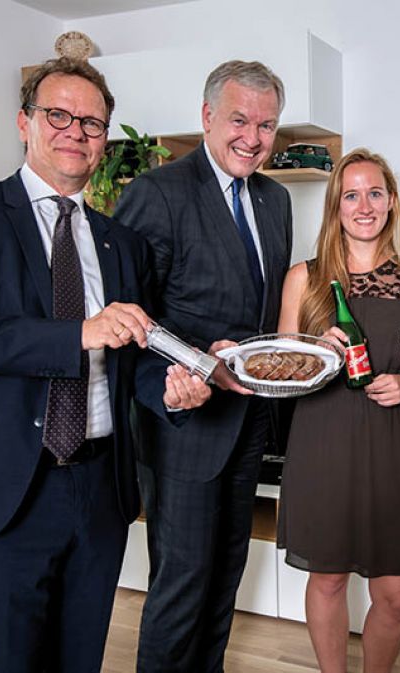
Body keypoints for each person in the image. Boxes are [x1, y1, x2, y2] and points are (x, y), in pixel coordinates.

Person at [0, 57, 213, 673]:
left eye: (92, 123)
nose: (76, 131)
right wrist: (76, 333)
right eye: (58, 114)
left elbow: (133, 358)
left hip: (97, 490)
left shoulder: (124, 244)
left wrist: (173, 390)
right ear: (24, 122)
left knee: (78, 659)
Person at [114, 59, 293, 672]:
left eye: (267, 125)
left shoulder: (275, 200)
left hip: (248, 425)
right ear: (207, 116)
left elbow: (264, 313)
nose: (253, 137)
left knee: (225, 578)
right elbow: (129, 317)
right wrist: (199, 363)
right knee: (182, 586)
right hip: (183, 427)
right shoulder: (156, 193)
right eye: (240, 119)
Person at [275, 148, 400, 673]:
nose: (364, 205)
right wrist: (313, 353)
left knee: (394, 594)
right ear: (335, 206)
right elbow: (280, 369)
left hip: (394, 440)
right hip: (323, 439)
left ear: (391, 203)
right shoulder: (304, 277)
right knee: (326, 578)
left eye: (375, 193)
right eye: (351, 195)